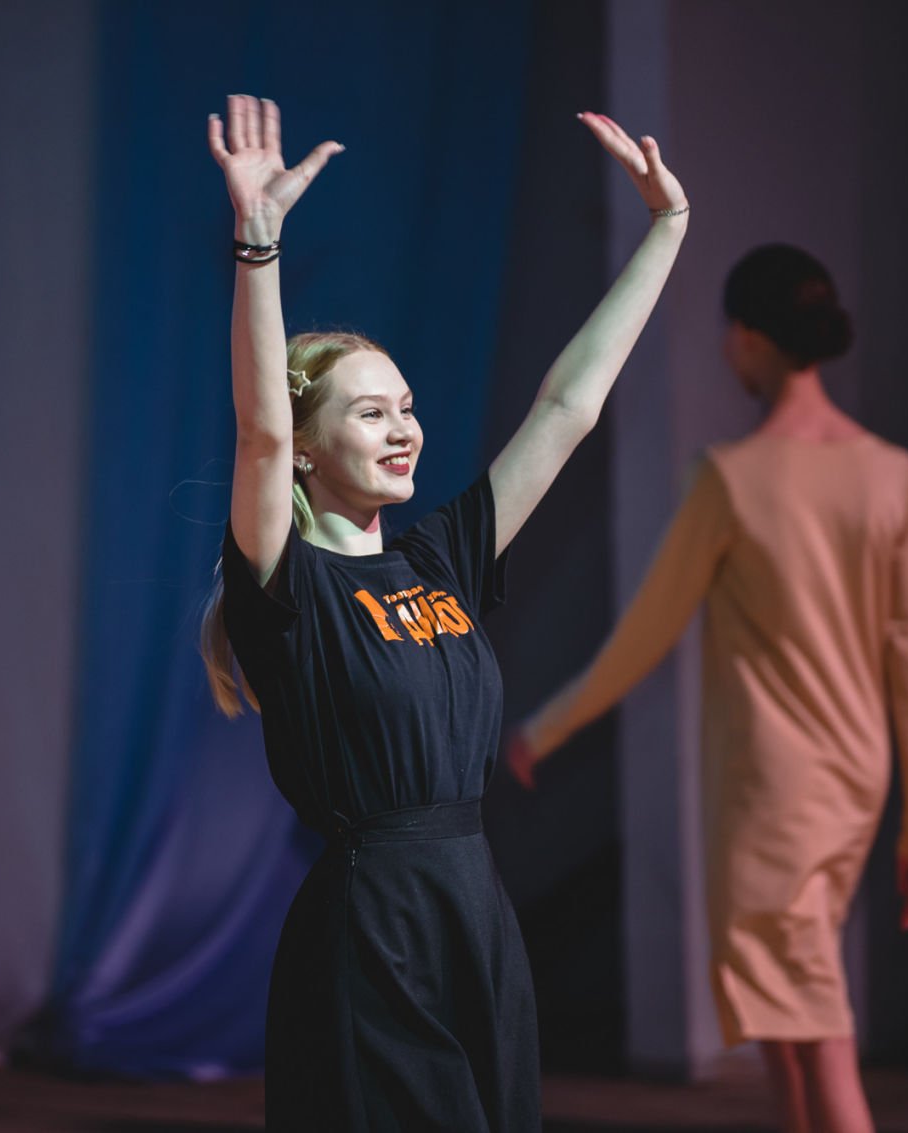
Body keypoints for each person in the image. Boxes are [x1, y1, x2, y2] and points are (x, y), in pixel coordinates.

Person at [198, 93, 687, 1131]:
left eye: (408, 407)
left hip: (475, 912)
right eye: (370, 411)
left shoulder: (439, 560)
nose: (403, 428)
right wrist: (258, 243)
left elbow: (568, 407)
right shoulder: (289, 588)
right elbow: (257, 435)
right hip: (372, 925)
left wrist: (666, 229)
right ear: (308, 447)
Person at [508, 244, 908, 1133]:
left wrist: (545, 728)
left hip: (771, 788)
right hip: (855, 780)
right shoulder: (891, 472)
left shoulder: (731, 479)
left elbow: (647, 632)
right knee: (787, 1005)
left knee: (811, 1016)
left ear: (747, 335)